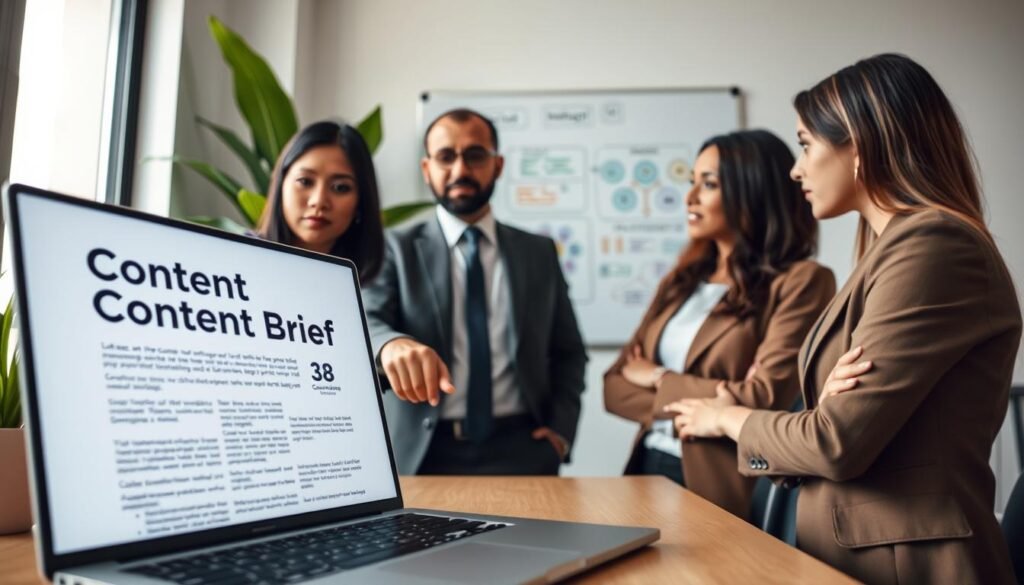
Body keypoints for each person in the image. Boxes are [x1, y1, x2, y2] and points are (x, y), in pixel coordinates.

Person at [666, 54, 1021, 584]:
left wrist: (726, 419)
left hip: (907, 566)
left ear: (860, 144)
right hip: (848, 556)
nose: (796, 167)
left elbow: (835, 442)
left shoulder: (935, 246)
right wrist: (819, 414)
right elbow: (830, 430)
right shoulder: (889, 251)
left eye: (806, 144)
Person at [603, 129, 834, 520]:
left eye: (708, 184)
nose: (690, 198)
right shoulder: (681, 280)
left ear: (753, 192)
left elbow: (764, 397)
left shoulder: (802, 281)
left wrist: (657, 376)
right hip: (646, 465)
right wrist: (713, 402)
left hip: (718, 480)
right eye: (691, 183)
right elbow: (614, 386)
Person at [361, 108, 587, 475]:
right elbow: (367, 321)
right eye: (446, 156)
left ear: (497, 165)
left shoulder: (538, 252)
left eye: (475, 155)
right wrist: (390, 344)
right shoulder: (394, 248)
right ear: (426, 169)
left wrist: (561, 433)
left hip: (524, 450)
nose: (460, 170)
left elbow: (568, 351)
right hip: (422, 452)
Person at [256, 120, 384, 282]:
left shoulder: (371, 285)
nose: (318, 201)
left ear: (361, 201)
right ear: (281, 185)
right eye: (305, 181)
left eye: (340, 188)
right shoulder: (238, 261)